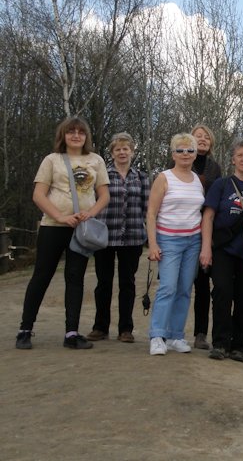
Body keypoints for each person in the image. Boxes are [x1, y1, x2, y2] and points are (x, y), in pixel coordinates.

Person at [16, 117, 110, 350]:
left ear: (87, 136)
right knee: (42, 276)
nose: (76, 135)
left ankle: (71, 333)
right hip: (53, 227)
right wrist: (60, 216)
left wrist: (91, 213)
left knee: (75, 278)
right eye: (71, 132)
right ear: (63, 135)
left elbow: (104, 195)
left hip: (81, 229)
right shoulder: (52, 160)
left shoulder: (96, 160)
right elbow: (39, 195)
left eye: (81, 132)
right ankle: (25, 330)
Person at [199, 139, 243, 362]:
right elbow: (208, 216)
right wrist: (206, 247)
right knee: (222, 292)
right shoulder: (222, 185)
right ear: (233, 159)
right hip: (223, 249)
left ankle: (238, 346)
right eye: (240, 155)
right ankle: (220, 343)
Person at [146, 133, 205, 356]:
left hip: (193, 241)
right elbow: (151, 213)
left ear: (195, 154)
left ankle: (176, 335)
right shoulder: (164, 178)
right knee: (168, 287)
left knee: (184, 289)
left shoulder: (197, 179)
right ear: (173, 154)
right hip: (168, 240)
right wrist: (153, 244)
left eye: (189, 150)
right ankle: (157, 336)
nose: (185, 154)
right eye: (180, 150)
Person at [88, 132, 149, 344]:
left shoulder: (141, 177)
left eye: (126, 148)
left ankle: (126, 329)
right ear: (112, 152)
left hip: (132, 236)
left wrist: (149, 233)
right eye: (118, 149)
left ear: (132, 151)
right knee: (103, 282)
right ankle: (100, 327)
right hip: (105, 235)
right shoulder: (101, 174)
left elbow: (147, 208)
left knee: (127, 283)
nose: (122, 152)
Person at [185, 124, 222, 351]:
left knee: (202, 285)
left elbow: (214, 198)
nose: (202, 139)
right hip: (181, 229)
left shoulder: (214, 168)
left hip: (206, 230)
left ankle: (200, 333)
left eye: (206, 137)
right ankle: (169, 332)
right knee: (178, 284)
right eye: (198, 136)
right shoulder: (178, 162)